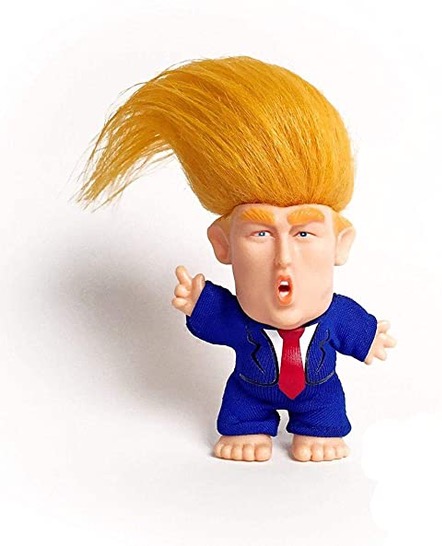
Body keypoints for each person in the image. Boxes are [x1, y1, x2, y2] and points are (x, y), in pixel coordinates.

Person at [79, 56, 396, 462]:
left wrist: (369, 339)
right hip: (250, 392)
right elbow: (217, 318)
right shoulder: (238, 317)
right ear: (222, 244)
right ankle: (249, 426)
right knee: (242, 410)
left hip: (319, 395)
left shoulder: (337, 316)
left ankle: (317, 428)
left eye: (303, 233)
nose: (284, 259)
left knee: (325, 412)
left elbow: (356, 329)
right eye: (261, 234)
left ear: (341, 244)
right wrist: (198, 302)